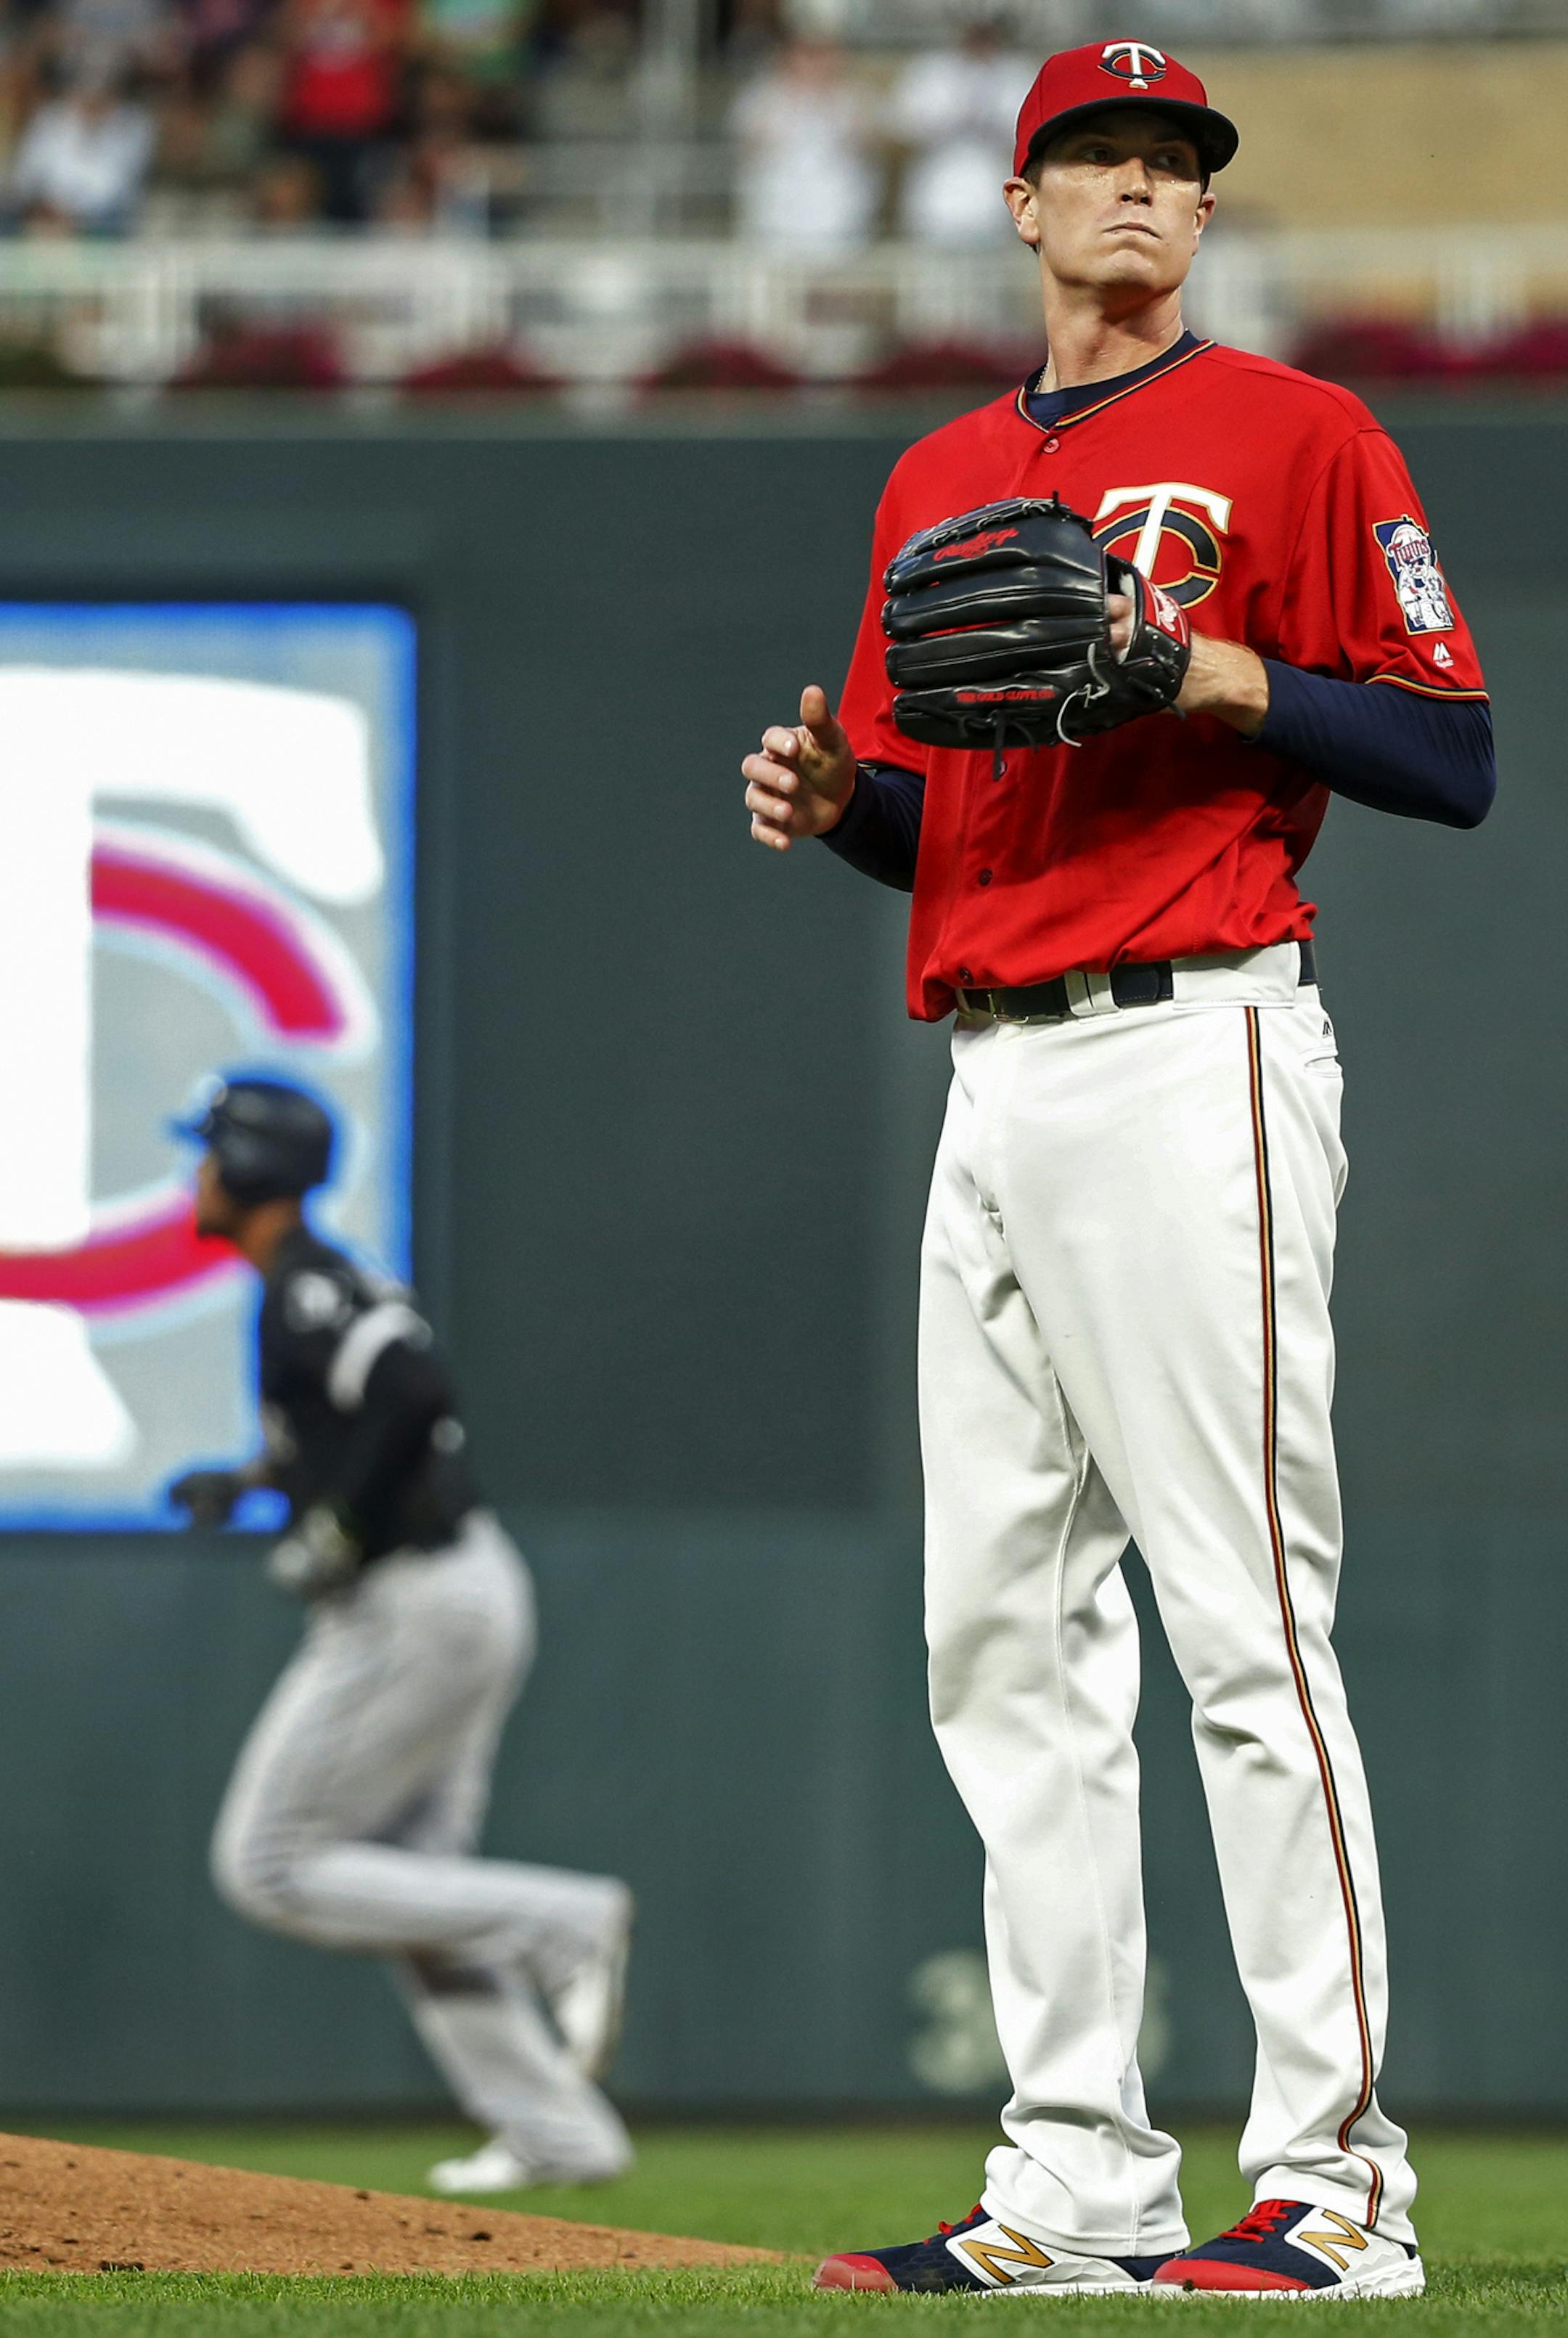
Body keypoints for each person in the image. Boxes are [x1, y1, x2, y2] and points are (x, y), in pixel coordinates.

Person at [741, 37, 1493, 2302]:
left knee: (1246, 1631)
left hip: (1200, 1050)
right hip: (996, 1063)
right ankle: (1076, 2165)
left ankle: (1339, 2182)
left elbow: (1449, 751)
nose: (1145, 190)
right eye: (1104, 158)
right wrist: (836, 801)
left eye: (1177, 164)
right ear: (1025, 200)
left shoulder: (1301, 433)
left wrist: (1202, 665)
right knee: (1008, 1651)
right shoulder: (939, 475)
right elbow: (943, 823)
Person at [166, 1075, 634, 2196]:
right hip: (459, 1588)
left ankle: (567, 1927)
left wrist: (331, 1518)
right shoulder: (305, 1284)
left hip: (414, 1599)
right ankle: (558, 2135)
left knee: (270, 1862)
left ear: (246, 1167)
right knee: (414, 1884)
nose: (197, 1175)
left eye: (208, 1153)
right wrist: (257, 1479)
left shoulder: (305, 1286)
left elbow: (413, 1382)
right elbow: (364, 1410)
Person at [888, 10, 1032, 247]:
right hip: (936, 197)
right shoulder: (930, 72)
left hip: (993, 198)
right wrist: (948, 123)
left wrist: (990, 126)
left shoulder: (1016, 74)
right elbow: (901, 129)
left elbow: (1027, 136)